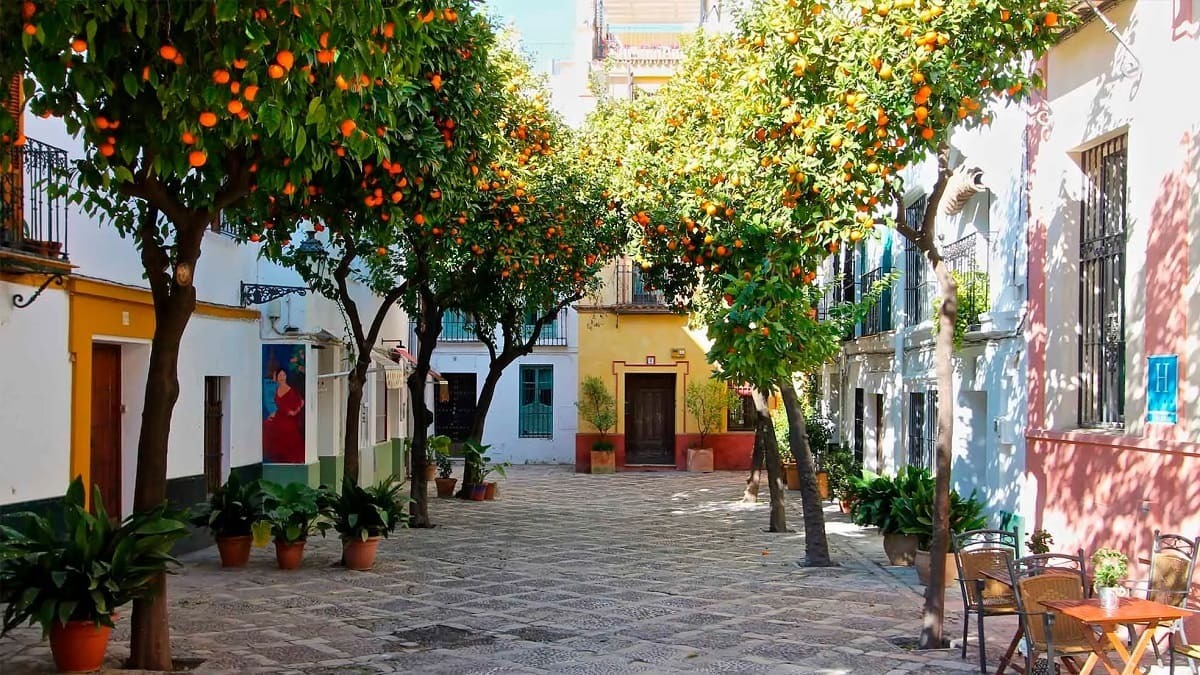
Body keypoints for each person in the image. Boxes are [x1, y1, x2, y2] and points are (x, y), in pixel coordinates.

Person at [263, 367, 304, 463]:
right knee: (266, 425)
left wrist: (294, 412)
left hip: (289, 419)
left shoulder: (291, 390)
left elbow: (301, 402)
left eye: (283, 375)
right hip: (279, 416)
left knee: (285, 430)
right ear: (276, 377)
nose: (282, 377)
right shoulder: (276, 389)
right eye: (280, 375)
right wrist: (272, 414)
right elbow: (277, 407)